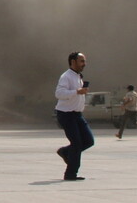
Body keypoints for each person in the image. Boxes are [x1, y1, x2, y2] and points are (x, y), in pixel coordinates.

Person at [55, 51, 95, 181]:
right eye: (81, 61)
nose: (84, 64)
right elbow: (59, 93)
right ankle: (70, 174)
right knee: (77, 144)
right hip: (66, 114)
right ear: (73, 62)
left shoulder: (79, 77)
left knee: (89, 141)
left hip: (77, 114)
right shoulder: (66, 76)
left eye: (84, 61)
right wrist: (77, 91)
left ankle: (65, 152)